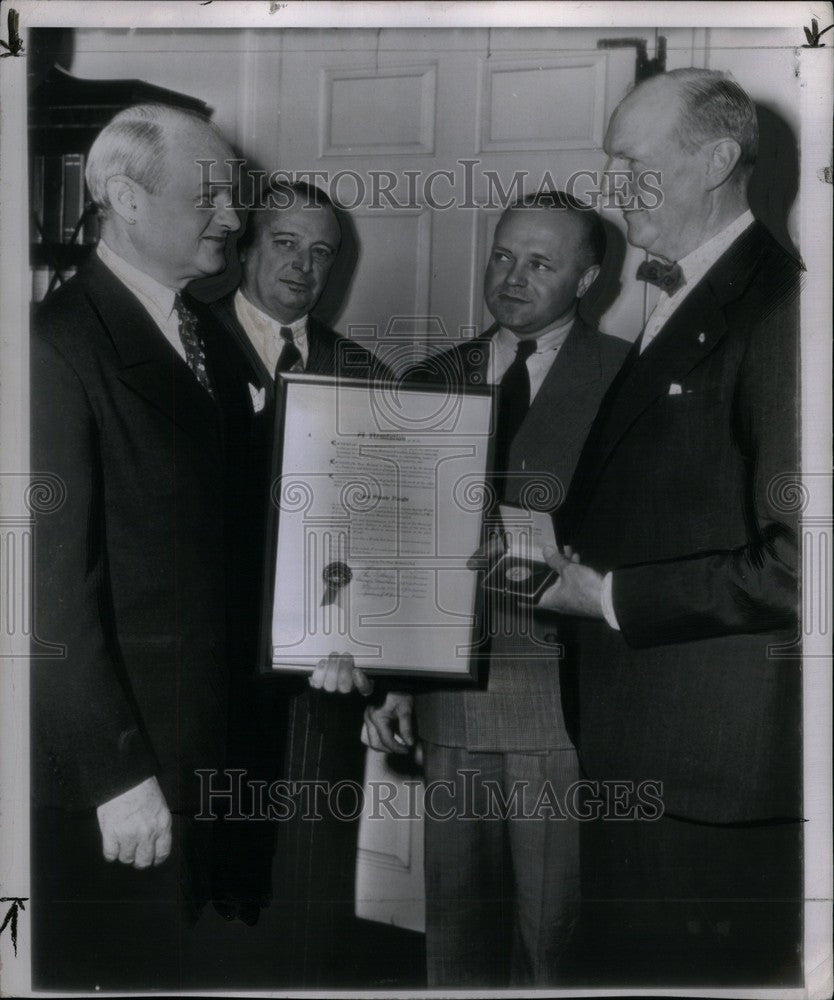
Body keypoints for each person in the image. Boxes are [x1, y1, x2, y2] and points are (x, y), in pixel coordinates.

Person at [538, 69, 803, 984]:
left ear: (719, 160)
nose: (613, 188)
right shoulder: (690, 295)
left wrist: (609, 595)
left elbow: (802, 567)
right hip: (643, 748)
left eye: (634, 164)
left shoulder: (781, 311)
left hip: (709, 780)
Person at [363, 192, 629, 987]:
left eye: (541, 263)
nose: (512, 278)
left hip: (561, 698)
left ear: (587, 279)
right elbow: (397, 544)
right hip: (449, 693)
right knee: (455, 918)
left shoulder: (626, 379)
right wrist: (395, 678)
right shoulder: (430, 380)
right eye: (503, 256)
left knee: (552, 928)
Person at [30, 104, 252, 990]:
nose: (234, 219)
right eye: (213, 198)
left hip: (206, 746)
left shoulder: (208, 336)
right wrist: (114, 777)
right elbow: (43, 601)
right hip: (124, 774)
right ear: (124, 196)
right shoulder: (55, 350)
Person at [206, 182, 390, 985]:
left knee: (307, 881)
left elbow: (387, 534)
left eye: (322, 252)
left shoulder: (364, 373)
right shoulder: (184, 344)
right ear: (246, 245)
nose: (303, 265)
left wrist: (373, 639)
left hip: (320, 680)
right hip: (203, 672)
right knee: (205, 884)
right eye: (285, 242)